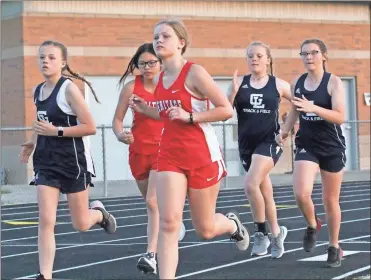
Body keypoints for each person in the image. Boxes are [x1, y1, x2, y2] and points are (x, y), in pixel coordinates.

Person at [129, 19, 250, 279]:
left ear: (181, 43)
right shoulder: (161, 78)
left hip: (201, 155)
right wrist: (145, 109)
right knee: (169, 222)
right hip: (169, 155)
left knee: (205, 229)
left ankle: (232, 224)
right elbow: (167, 116)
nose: (158, 41)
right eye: (156, 37)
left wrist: (191, 117)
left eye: (165, 36)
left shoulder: (195, 73)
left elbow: (225, 110)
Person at [20, 40, 117, 280]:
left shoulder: (69, 89)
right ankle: (45, 274)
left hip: (73, 162)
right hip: (46, 161)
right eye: (42, 57)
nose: (45, 61)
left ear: (63, 63)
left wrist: (58, 131)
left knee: (81, 223)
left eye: (51, 57)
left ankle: (100, 214)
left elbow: (90, 126)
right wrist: (32, 142)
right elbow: (41, 122)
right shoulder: (37, 90)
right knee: (46, 219)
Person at [112, 43, 186, 275]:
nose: (147, 67)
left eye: (151, 62)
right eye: (142, 63)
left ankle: (151, 255)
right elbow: (117, 120)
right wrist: (119, 134)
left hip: (165, 150)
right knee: (153, 203)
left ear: (160, 62)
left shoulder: (170, 84)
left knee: (152, 202)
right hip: (138, 150)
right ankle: (172, 225)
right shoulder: (130, 88)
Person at [276, 38, 346, 268]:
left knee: (330, 200)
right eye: (304, 53)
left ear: (324, 56)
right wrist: (284, 131)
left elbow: (340, 116)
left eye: (313, 53)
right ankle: (312, 224)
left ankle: (334, 246)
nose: (308, 57)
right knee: (301, 193)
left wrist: (314, 107)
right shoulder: (298, 82)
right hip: (307, 143)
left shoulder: (333, 83)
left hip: (332, 146)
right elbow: (295, 110)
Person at [227, 41, 290, 259]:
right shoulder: (239, 83)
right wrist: (232, 93)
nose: (254, 59)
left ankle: (261, 232)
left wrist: (287, 126)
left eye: (259, 56)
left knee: (250, 183)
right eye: (250, 55)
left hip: (269, 142)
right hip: (247, 144)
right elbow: (225, 112)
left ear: (268, 59)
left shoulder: (279, 84)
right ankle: (276, 233)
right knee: (264, 192)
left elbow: (300, 104)